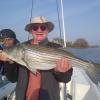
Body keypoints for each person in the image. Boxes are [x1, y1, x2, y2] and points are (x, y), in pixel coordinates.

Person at [0, 16, 73, 100]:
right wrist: (9, 61)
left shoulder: (58, 48)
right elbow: (12, 79)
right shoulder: (20, 47)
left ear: (48, 30)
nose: (39, 30)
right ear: (31, 30)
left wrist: (59, 72)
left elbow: (66, 79)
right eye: (35, 27)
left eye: (43, 27)